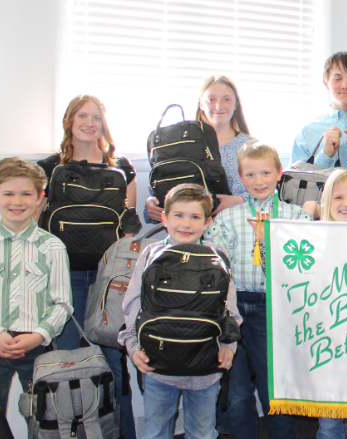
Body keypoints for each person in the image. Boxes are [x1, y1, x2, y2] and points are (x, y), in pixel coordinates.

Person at [37, 94, 140, 439]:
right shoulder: (48, 168)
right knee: (70, 362)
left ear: (104, 123)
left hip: (108, 279)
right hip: (63, 277)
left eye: (96, 117)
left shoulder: (122, 167)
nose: (89, 123)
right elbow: (36, 225)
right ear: (69, 120)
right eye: (82, 115)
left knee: (114, 364)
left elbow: (128, 230)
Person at [119, 184, 241, 439]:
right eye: (178, 215)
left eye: (195, 217)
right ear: (164, 217)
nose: (186, 224)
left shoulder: (217, 255)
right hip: (158, 365)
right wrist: (132, 345)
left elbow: (229, 307)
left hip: (206, 364)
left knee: (203, 432)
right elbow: (133, 304)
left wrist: (229, 346)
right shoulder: (151, 253)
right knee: (156, 431)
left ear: (208, 222)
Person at [0, 157, 71, 410]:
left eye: (26, 194)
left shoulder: (52, 247)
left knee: (44, 417)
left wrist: (38, 335)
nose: (17, 202)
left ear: (39, 198)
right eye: (8, 193)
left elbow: (62, 304)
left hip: (38, 348)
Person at [203, 141, 301, 439]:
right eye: (250, 175)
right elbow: (217, 265)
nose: (258, 181)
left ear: (279, 173)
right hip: (234, 309)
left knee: (275, 387)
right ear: (241, 177)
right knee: (237, 389)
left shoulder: (295, 217)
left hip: (274, 308)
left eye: (265, 173)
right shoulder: (228, 218)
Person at [283, 169, 347, 439]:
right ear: (327, 202)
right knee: (328, 423)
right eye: (338, 197)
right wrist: (262, 238)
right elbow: (290, 278)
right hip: (326, 346)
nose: (346, 203)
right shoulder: (314, 240)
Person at [146, 75, 253, 222]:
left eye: (226, 99)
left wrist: (239, 201)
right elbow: (165, 188)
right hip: (190, 233)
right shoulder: (180, 144)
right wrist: (151, 203)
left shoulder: (251, 147)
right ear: (201, 104)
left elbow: (269, 198)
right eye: (211, 99)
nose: (218, 106)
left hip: (237, 229)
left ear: (236, 104)